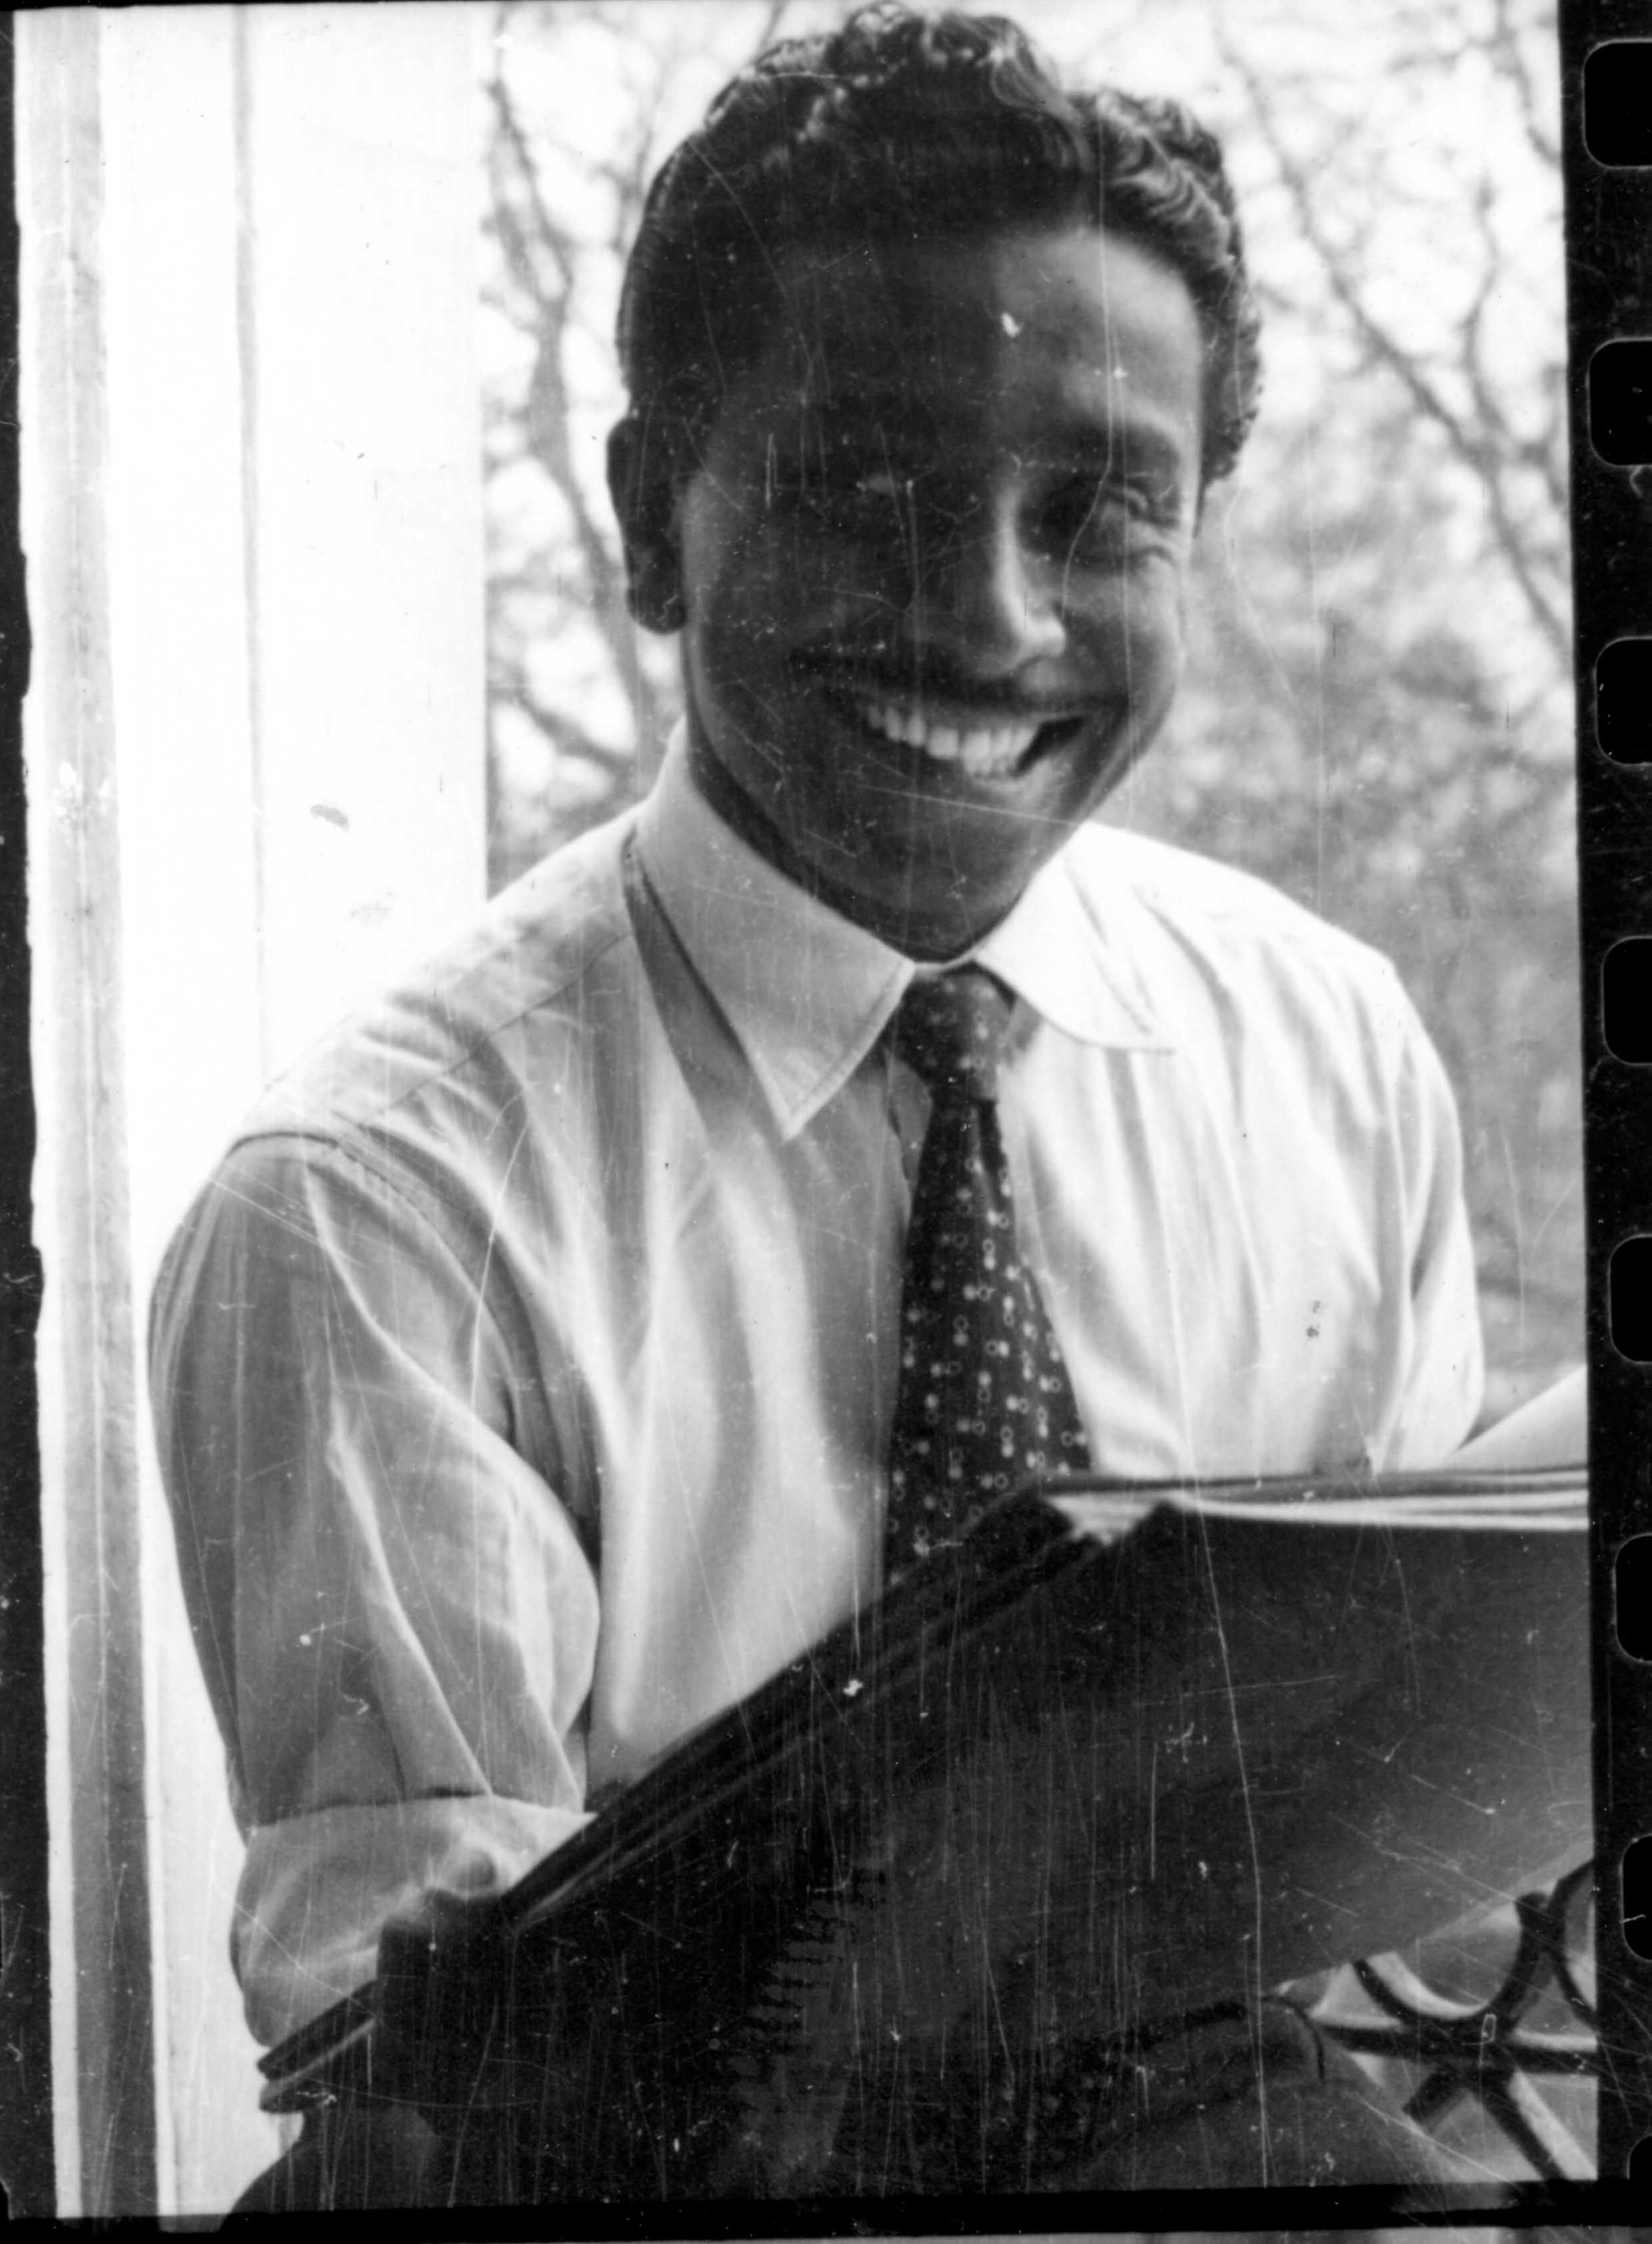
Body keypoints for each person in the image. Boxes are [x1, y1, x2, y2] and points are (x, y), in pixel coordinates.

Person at [151, 3, 1492, 2207]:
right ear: (650, 527)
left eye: (1101, 512)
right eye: (861, 489)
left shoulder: (1323, 1047)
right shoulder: (377, 1205)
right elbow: (455, 2104)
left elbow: (1408, 1879)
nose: (988, 621)